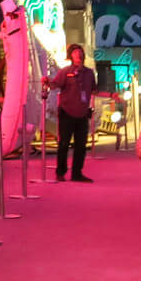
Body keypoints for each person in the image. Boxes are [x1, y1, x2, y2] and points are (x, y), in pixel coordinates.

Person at [45, 44, 98, 181]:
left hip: (82, 113)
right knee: (64, 144)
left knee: (81, 145)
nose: (78, 55)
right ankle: (60, 172)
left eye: (80, 52)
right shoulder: (65, 72)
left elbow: (94, 90)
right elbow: (55, 85)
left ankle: (77, 173)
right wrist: (47, 82)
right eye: (75, 53)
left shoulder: (89, 73)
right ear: (70, 56)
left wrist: (111, 95)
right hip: (67, 113)